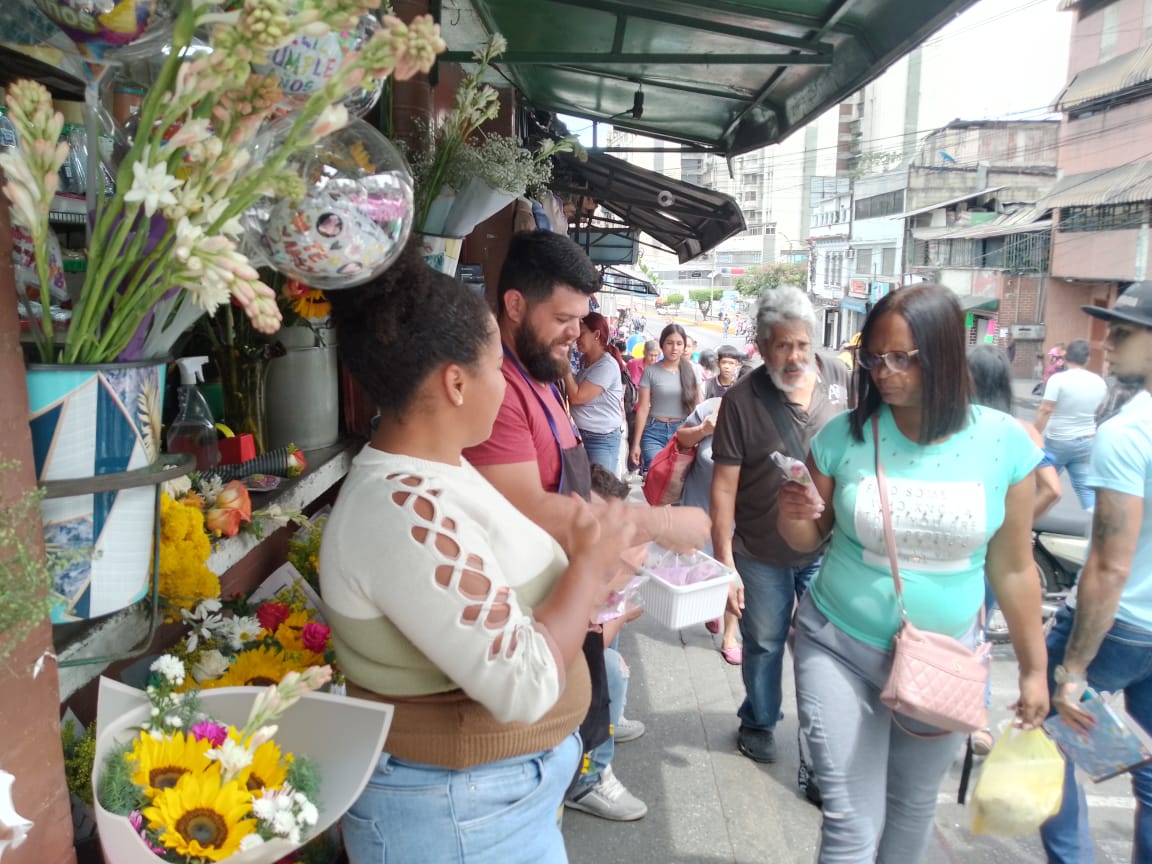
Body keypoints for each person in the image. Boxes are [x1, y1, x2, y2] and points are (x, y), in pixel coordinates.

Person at [321, 241, 638, 863]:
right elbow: (520, 683)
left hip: (492, 802)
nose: (506, 385)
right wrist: (589, 567)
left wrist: (585, 545)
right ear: (456, 383)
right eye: (497, 369)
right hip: (457, 817)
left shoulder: (441, 473)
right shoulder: (399, 507)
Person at [777, 283, 1048, 863]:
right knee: (851, 821)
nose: (883, 372)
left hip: (944, 662)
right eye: (874, 357)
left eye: (902, 357)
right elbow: (804, 542)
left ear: (945, 356)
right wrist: (793, 513)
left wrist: (1034, 670)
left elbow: (1015, 568)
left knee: (911, 810)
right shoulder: (844, 436)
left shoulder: (1003, 445)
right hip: (838, 648)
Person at [461, 231, 711, 823]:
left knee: (587, 700)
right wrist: (652, 521)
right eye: (565, 318)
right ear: (516, 306)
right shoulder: (498, 387)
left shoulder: (543, 372)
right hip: (534, 602)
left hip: (574, 578)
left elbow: (567, 469)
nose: (577, 332)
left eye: (581, 318)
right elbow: (525, 504)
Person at [711, 286, 852, 763]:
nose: (794, 357)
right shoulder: (742, 401)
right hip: (760, 550)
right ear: (761, 344)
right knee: (765, 642)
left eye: (802, 344)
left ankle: (819, 751)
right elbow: (724, 487)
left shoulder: (839, 376)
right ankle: (759, 719)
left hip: (829, 549)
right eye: (782, 345)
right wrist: (725, 562)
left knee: (824, 651)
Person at [1040, 280, 1152, 864]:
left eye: (1125, 333)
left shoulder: (1130, 431)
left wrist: (1074, 668)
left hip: (1121, 626)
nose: (1106, 341)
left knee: (1048, 740)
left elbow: (1109, 563)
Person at [966, 343, 1062, 755]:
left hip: (966, 547)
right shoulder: (1021, 429)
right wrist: (1015, 524)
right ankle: (978, 722)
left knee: (960, 632)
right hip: (1003, 553)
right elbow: (1053, 489)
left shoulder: (962, 427)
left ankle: (967, 714)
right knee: (981, 635)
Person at [676, 396, 742, 664]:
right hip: (699, 501)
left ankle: (730, 636)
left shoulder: (764, 420)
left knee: (733, 567)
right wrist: (704, 429)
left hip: (739, 510)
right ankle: (711, 604)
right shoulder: (712, 407)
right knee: (702, 561)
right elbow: (681, 439)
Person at [1034, 338, 1107, 510]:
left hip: (1058, 441)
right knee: (1086, 490)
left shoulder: (1058, 380)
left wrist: (1034, 434)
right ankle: (1093, 529)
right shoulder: (1099, 382)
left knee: (1042, 487)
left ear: (1065, 357)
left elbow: (1045, 410)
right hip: (1086, 440)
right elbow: (1099, 409)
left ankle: (1025, 527)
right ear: (1087, 358)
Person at [630, 324, 699, 473]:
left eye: (679, 344)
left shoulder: (692, 371)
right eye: (669, 343)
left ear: (684, 346)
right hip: (653, 432)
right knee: (655, 475)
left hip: (682, 433)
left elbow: (698, 407)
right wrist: (635, 444)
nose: (674, 348)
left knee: (675, 482)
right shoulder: (650, 372)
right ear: (662, 345)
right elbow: (642, 409)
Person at [562, 312, 626, 474]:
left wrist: (563, 365)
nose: (577, 339)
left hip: (601, 440)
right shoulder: (586, 362)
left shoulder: (606, 366)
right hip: (584, 436)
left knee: (599, 494)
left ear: (596, 334)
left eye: (581, 334)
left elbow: (577, 397)